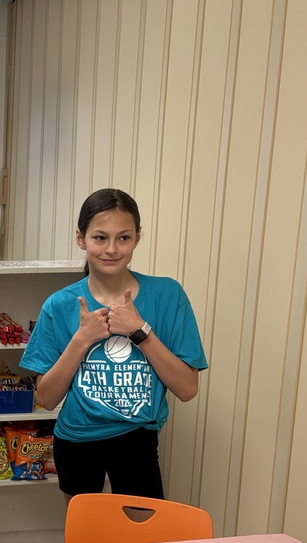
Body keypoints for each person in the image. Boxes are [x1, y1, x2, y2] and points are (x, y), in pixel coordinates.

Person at [20, 188, 207, 499]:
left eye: (123, 238)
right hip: (76, 439)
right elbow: (47, 398)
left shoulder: (168, 295)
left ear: (137, 237)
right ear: (81, 238)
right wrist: (81, 340)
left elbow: (187, 389)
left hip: (138, 437)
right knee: (85, 542)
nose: (112, 249)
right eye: (100, 238)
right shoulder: (60, 305)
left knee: (140, 541)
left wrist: (140, 331)